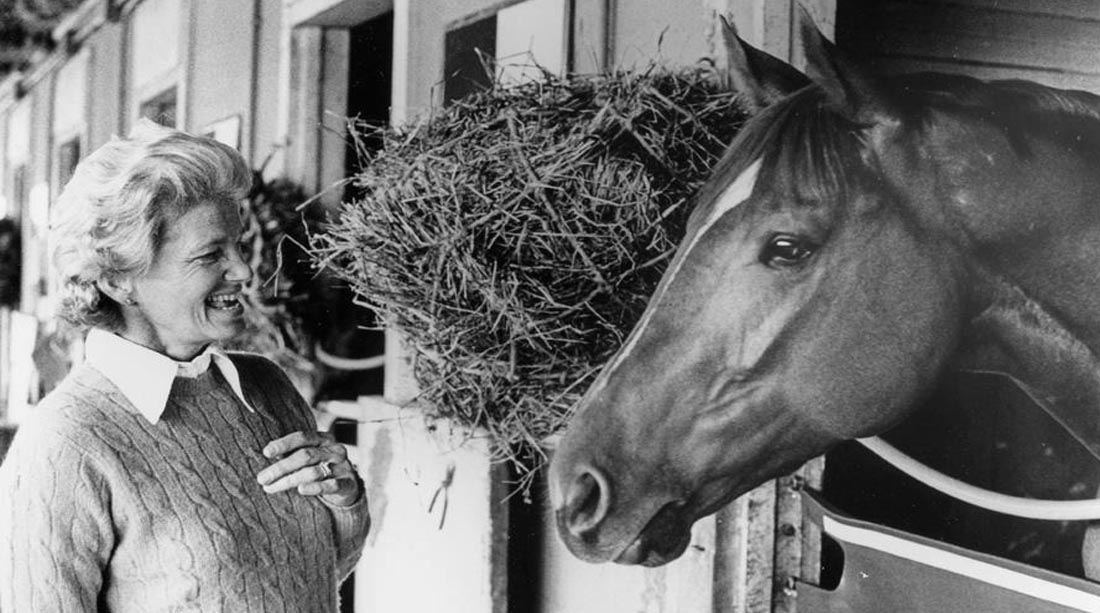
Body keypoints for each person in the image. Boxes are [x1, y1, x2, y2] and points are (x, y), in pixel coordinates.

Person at [0, 120, 370, 612]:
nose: (242, 270)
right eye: (210, 254)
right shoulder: (67, 440)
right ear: (119, 280)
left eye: (237, 246)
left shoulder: (266, 386)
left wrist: (343, 498)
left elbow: (310, 574)